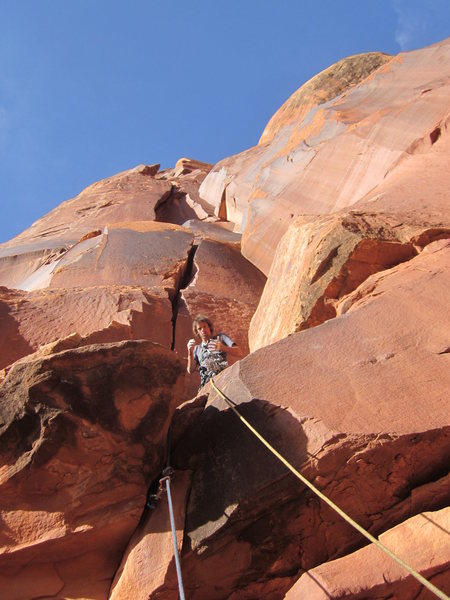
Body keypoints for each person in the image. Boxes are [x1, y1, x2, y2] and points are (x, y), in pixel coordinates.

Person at [187, 314, 242, 388]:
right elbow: (190, 370)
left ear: (209, 327)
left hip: (223, 378)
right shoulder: (197, 349)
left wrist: (222, 347)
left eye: (204, 326)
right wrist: (190, 353)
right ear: (197, 332)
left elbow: (239, 352)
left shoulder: (221, 338)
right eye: (199, 328)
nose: (203, 330)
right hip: (206, 384)